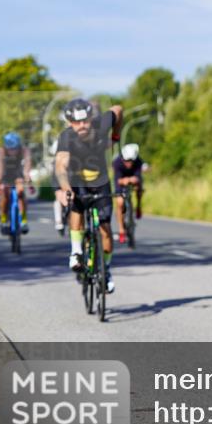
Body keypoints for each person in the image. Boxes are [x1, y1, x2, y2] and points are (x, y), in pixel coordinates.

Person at [55, 98, 123, 293]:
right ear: (69, 122)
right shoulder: (66, 138)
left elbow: (118, 110)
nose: (82, 125)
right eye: (76, 122)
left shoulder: (101, 125)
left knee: (105, 229)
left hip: (100, 181)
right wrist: (66, 189)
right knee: (76, 204)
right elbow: (61, 166)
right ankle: (76, 251)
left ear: (91, 118)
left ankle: (106, 270)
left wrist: (116, 137)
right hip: (77, 181)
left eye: (85, 120)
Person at [0, 132, 33, 235]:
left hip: (18, 173)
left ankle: (24, 221)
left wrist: (27, 178)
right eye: (10, 149)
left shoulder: (24, 150)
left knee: (20, 193)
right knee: (4, 195)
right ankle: (3, 220)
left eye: (15, 148)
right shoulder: (1, 151)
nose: (12, 151)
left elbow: (27, 166)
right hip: (6, 173)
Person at [113, 143, 144, 244]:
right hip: (121, 178)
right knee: (120, 202)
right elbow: (117, 180)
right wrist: (124, 181)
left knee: (139, 189)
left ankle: (138, 206)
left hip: (133, 176)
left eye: (131, 161)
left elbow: (138, 177)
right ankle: (121, 230)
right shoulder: (117, 163)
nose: (128, 163)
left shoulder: (138, 162)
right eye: (126, 161)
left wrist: (133, 180)